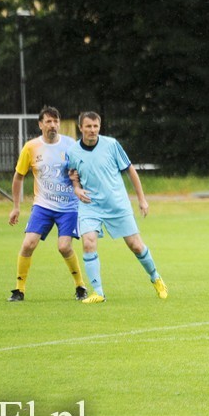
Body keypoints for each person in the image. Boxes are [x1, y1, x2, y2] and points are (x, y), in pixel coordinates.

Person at [66, 111, 168, 303]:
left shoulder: (111, 145)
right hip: (90, 205)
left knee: (136, 246)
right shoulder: (73, 151)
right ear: (81, 128)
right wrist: (77, 189)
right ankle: (98, 292)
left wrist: (142, 199)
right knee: (88, 242)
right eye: (88, 126)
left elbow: (130, 170)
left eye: (96, 126)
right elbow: (73, 174)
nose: (92, 130)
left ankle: (156, 278)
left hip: (116, 203)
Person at [7, 106, 87, 302]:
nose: (53, 125)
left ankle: (80, 286)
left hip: (69, 207)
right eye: (49, 121)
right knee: (28, 244)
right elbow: (18, 177)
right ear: (40, 124)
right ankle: (19, 289)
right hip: (43, 206)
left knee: (64, 247)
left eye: (56, 121)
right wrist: (16, 206)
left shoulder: (71, 145)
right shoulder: (31, 147)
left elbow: (82, 172)